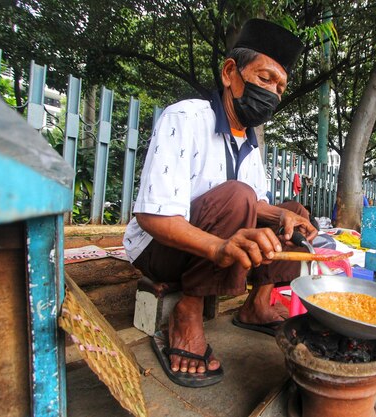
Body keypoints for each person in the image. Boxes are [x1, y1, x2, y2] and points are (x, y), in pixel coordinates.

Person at [123, 19, 316, 388]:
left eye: (279, 86)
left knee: (295, 213)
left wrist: (284, 216)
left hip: (212, 239)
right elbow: (151, 215)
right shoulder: (186, 117)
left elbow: (257, 205)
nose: (273, 93)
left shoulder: (250, 144)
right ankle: (188, 312)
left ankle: (257, 304)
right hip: (157, 249)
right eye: (265, 79)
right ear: (231, 72)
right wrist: (221, 246)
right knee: (237, 195)